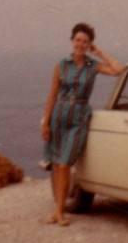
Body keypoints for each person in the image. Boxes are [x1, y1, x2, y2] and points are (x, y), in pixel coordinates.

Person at [40, 23, 123, 226]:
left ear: (89, 45)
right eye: (78, 40)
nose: (80, 44)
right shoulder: (61, 65)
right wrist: (45, 122)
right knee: (58, 165)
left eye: (85, 41)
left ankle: (60, 211)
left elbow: (118, 70)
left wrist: (100, 52)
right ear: (72, 41)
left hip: (79, 116)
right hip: (59, 115)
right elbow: (52, 95)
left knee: (65, 162)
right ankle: (58, 211)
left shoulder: (92, 66)